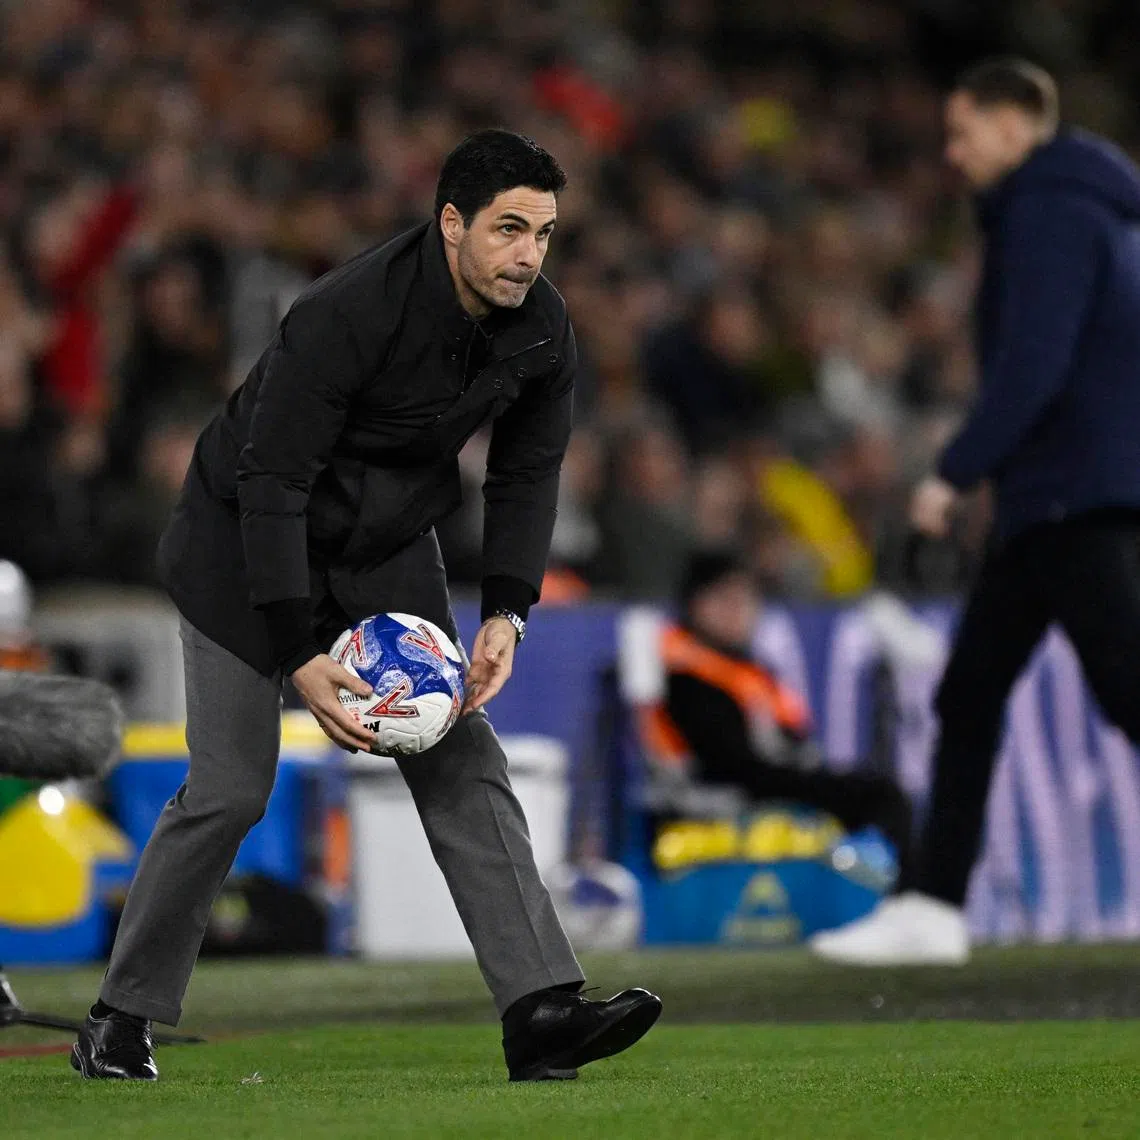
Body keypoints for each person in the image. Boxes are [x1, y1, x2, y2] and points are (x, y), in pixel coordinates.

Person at [72, 130, 660, 1082]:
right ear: (452, 223)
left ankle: (541, 1008)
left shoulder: (543, 326)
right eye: (510, 230)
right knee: (231, 791)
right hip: (243, 544)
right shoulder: (346, 312)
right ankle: (120, 1014)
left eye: (545, 234)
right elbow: (271, 483)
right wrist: (301, 652)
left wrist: (507, 611)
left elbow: (527, 468)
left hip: (383, 550)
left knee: (462, 753)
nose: (529, 256)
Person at [812, 59, 1140, 964]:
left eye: (962, 133)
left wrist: (953, 471)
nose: (953, 155)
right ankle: (934, 905)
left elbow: (1035, 363)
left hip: (1071, 496)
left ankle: (934, 902)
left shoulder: (1051, 207)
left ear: (1013, 123)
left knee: (1124, 690)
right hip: (1059, 496)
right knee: (970, 692)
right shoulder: (1089, 207)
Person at [644, 549, 912, 861]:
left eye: (745, 600)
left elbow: (789, 738)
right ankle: (902, 895)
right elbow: (731, 765)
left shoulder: (745, 669)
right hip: (720, 799)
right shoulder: (687, 677)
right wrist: (806, 780)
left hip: (765, 784)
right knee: (879, 797)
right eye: (725, 599)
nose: (738, 611)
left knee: (874, 790)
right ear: (696, 604)